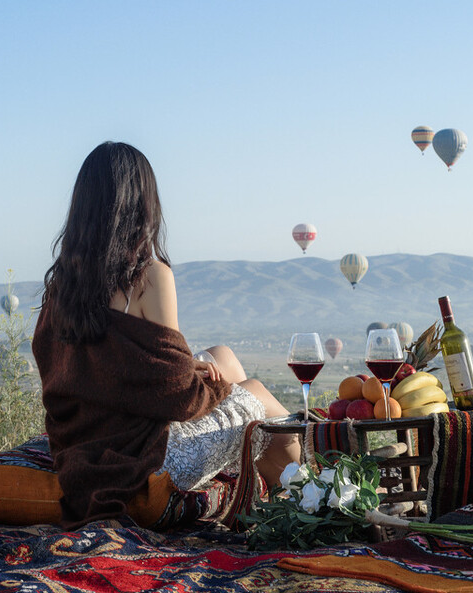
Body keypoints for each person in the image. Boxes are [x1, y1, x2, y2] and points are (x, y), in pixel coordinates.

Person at [32, 141, 300, 529]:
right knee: (255, 393)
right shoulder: (149, 277)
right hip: (146, 460)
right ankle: (317, 494)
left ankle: (295, 489)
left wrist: (197, 370)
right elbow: (178, 396)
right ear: (143, 203)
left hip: (84, 446)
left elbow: (93, 369)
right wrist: (214, 388)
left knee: (220, 355)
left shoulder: (60, 288)